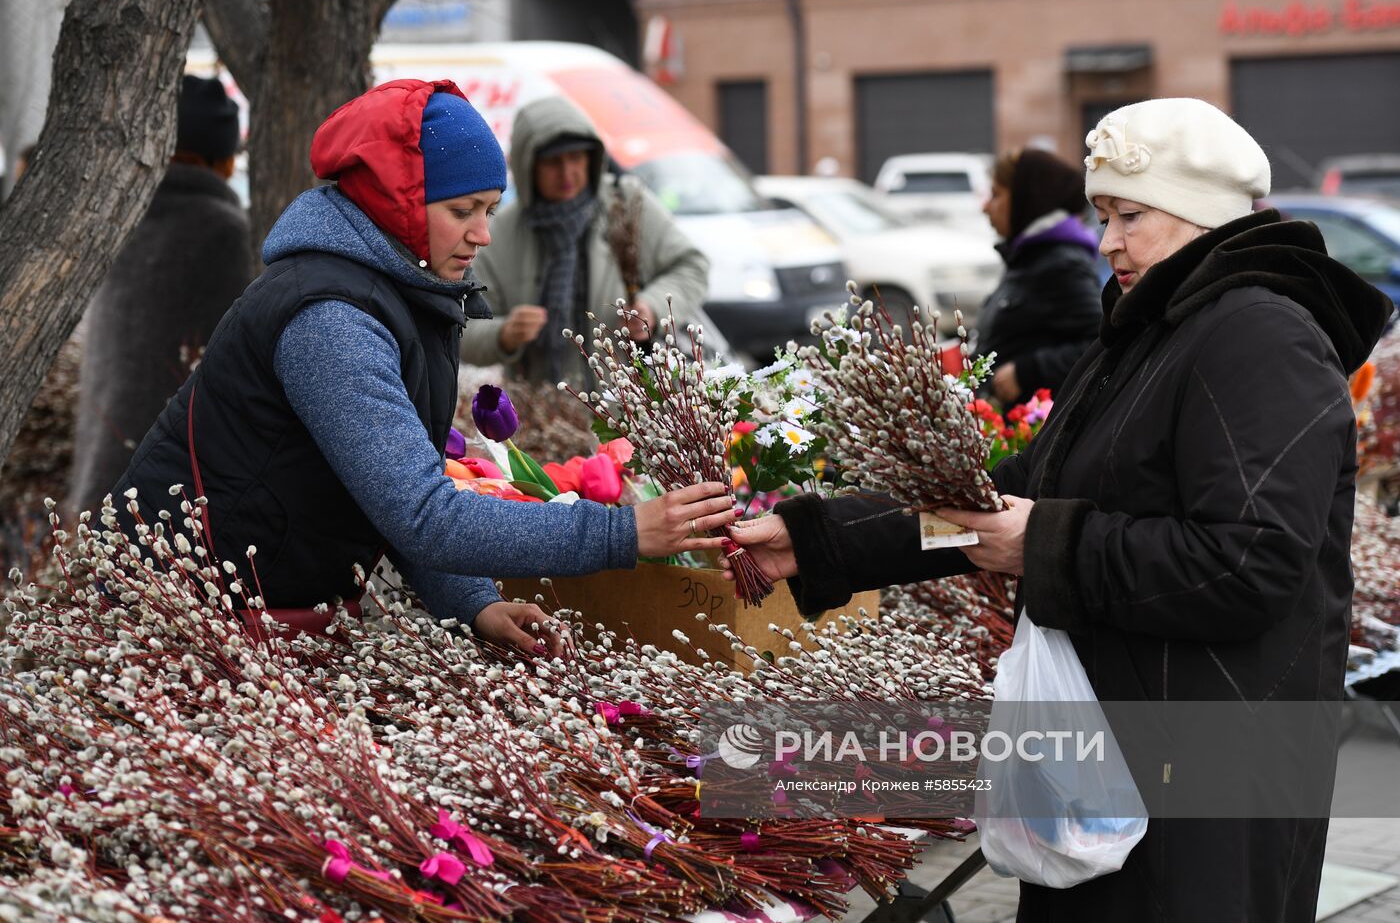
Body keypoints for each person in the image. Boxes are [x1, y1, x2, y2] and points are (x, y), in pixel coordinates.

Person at [726, 99, 1393, 920]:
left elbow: (1246, 563)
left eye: (1129, 216)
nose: (1106, 241)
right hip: (1113, 762)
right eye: (1102, 215)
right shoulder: (1151, 331)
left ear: (1200, 213)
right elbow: (1008, 497)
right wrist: (822, 538)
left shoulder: (1259, 337)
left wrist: (1045, 543)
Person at [110, 80, 737, 655]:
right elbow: (424, 514)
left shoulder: (400, 293)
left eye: (491, 210)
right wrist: (622, 533)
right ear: (397, 201)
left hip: (250, 618)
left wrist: (472, 603)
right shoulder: (330, 317)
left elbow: (389, 494)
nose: (484, 235)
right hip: (180, 620)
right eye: (463, 210)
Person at [68, 76, 254, 513]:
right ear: (222, 158)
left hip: (102, 462)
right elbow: (231, 360)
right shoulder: (221, 230)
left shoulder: (122, 221)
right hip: (171, 486)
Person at [463, 95, 709, 385]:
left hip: (630, 412)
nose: (567, 172)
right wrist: (504, 335)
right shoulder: (501, 232)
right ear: (528, 164)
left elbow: (691, 266)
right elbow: (463, 328)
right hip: (544, 419)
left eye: (576, 157)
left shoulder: (626, 205)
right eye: (553, 162)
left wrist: (652, 307)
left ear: (593, 157)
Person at [976, 148, 1102, 405]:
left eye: (996, 194)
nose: (986, 207)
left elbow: (1101, 343)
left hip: (1033, 432)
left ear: (1027, 199)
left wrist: (1028, 371)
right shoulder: (1028, 255)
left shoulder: (1061, 264)